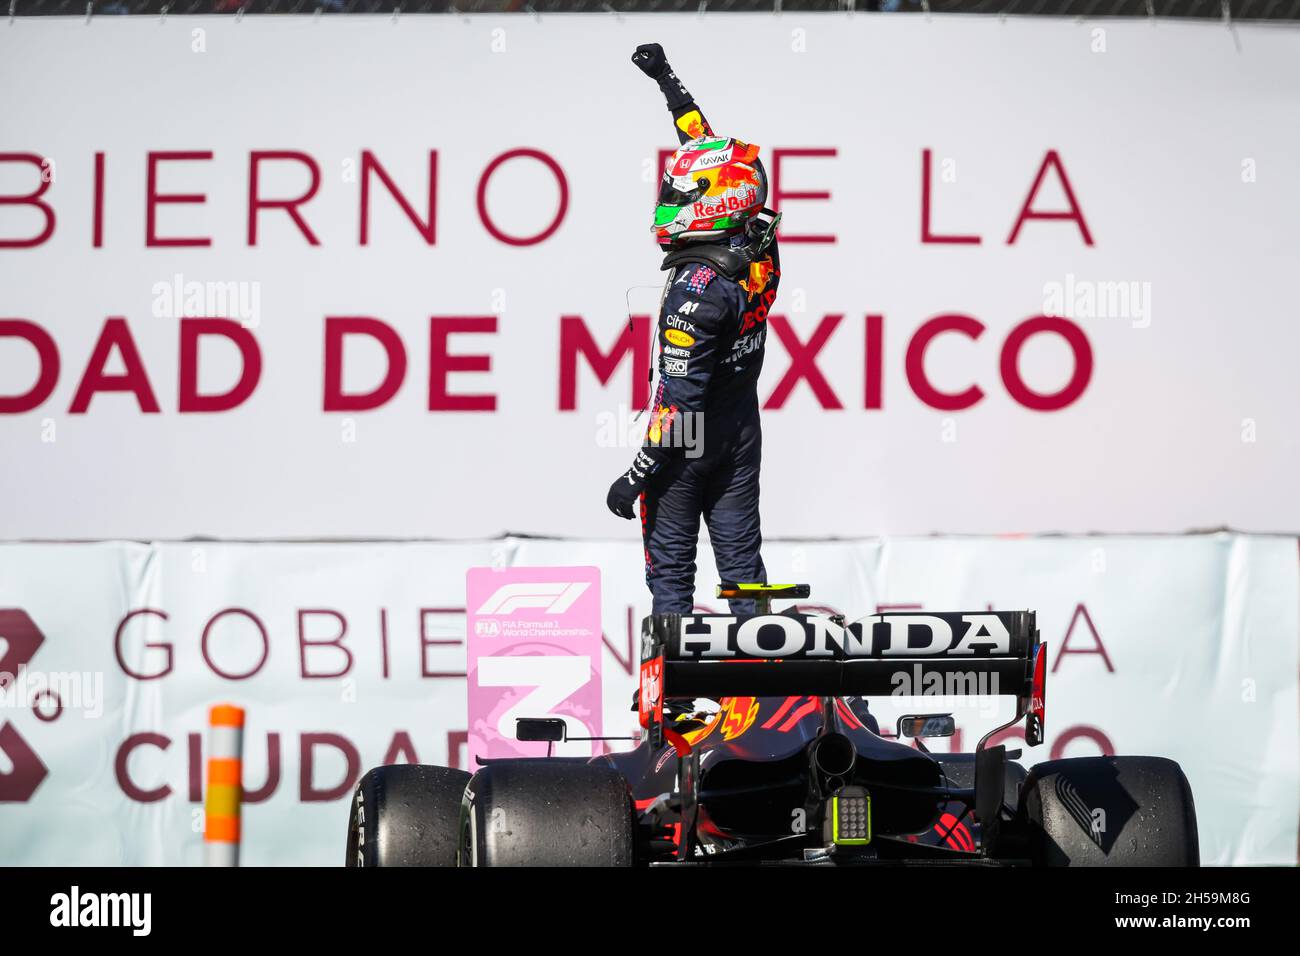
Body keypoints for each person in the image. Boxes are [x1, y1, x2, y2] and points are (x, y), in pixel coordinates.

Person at [606, 44, 782, 617]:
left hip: (687, 447)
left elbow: (679, 403)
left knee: (673, 579)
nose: (668, 204)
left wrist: (634, 477)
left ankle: (673, 703)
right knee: (744, 579)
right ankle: (767, 699)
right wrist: (667, 80)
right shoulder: (759, 245)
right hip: (741, 435)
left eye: (680, 197)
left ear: (714, 202)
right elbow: (702, 148)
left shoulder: (695, 289)